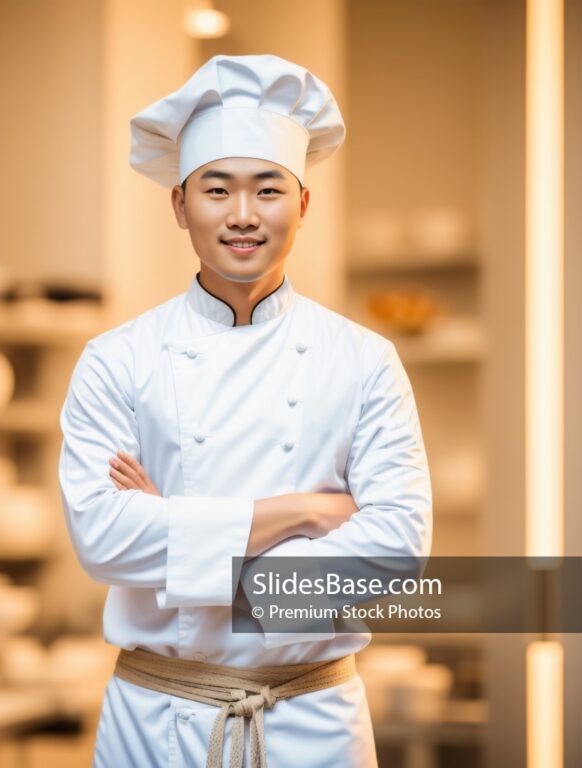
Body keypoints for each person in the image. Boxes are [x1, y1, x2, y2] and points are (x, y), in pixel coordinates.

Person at [59, 53, 432, 768]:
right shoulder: (118, 358)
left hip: (315, 721)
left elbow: (395, 552)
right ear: (179, 204)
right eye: (216, 189)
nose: (241, 216)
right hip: (155, 721)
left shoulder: (364, 359)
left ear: (302, 204)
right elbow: (103, 540)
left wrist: (178, 542)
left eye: (267, 190)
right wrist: (302, 513)